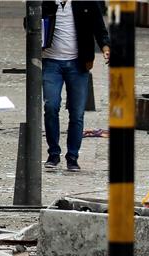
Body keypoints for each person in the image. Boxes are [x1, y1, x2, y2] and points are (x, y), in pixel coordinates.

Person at [41, 0, 110, 172]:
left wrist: (105, 47)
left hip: (78, 64)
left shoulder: (86, 2)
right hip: (51, 62)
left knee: (77, 113)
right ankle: (53, 154)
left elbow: (99, 27)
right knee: (51, 106)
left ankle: (72, 156)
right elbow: (30, 24)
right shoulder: (46, 2)